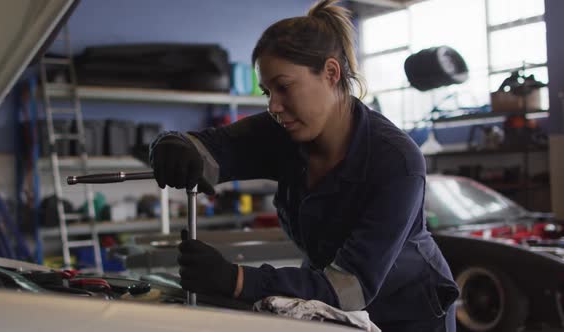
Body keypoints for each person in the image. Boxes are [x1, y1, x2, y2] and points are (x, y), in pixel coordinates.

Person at [149, 0, 459, 330]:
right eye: (268, 91)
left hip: (407, 313)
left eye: (283, 87)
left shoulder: (396, 161)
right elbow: (210, 148)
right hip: (324, 305)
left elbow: (350, 287)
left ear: (330, 73)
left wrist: (236, 279)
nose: (274, 106)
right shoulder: (282, 132)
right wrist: (171, 146)